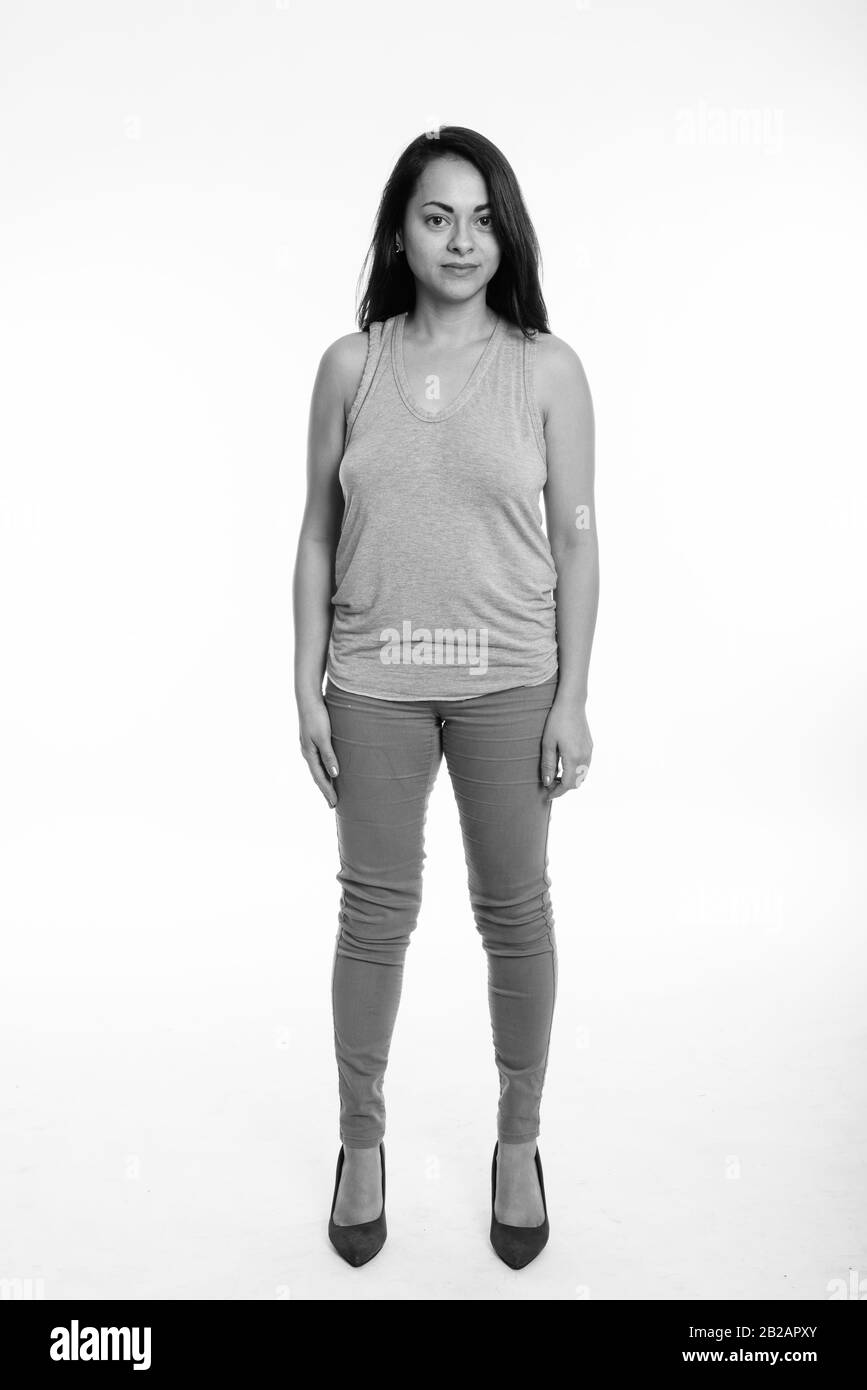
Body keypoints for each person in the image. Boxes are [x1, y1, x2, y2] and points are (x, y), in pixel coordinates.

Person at [293, 126, 598, 1268]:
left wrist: (574, 697)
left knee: (515, 911)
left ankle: (518, 1143)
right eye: (437, 217)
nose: (462, 239)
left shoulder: (547, 368)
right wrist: (305, 684)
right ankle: (360, 1143)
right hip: (371, 680)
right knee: (374, 915)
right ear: (401, 232)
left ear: (504, 230)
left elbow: (579, 541)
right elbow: (318, 533)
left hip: (513, 681)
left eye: (481, 217)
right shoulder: (349, 365)